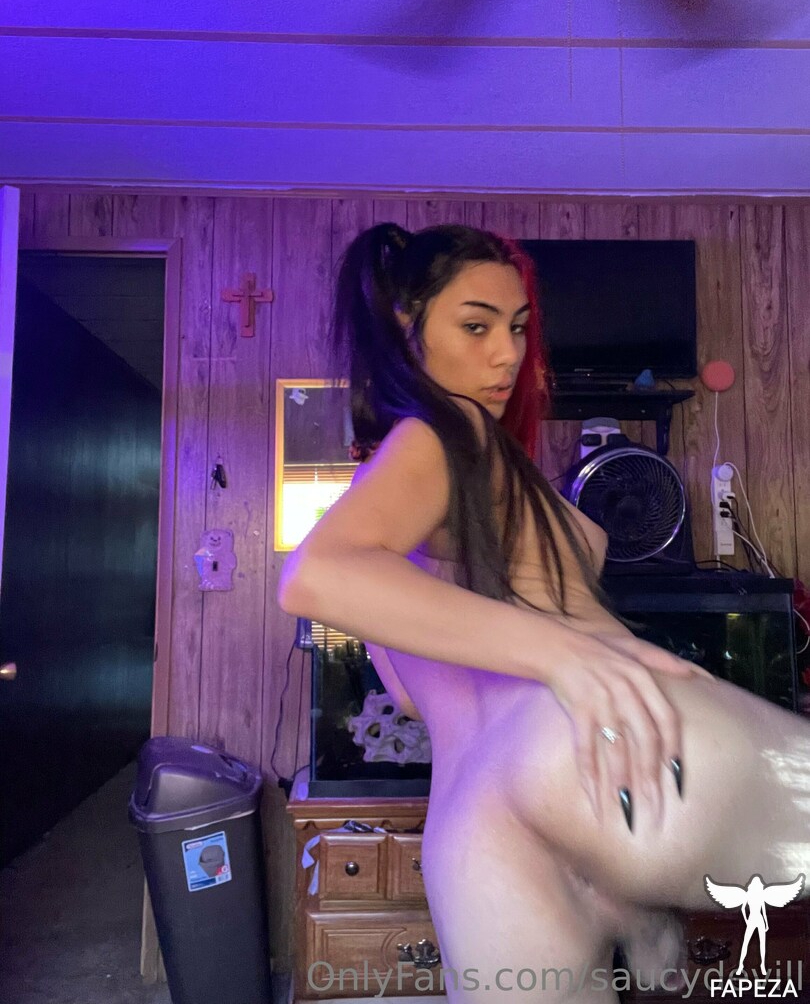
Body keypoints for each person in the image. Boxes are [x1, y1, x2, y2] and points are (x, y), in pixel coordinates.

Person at [279, 223, 809, 1002]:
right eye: (476, 326)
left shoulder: (402, 483)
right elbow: (315, 576)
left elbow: (406, 694)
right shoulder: (451, 432)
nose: (508, 354)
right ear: (406, 325)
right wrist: (567, 652)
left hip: (479, 829)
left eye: (519, 327)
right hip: (584, 746)